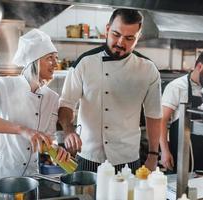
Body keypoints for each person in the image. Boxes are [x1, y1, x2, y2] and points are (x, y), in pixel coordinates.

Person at [58, 9, 162, 173]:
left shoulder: (148, 69)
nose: (121, 42)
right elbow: (66, 103)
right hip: (89, 156)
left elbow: (154, 114)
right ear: (107, 29)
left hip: (127, 159)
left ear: (138, 38)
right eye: (116, 34)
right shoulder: (84, 63)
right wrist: (69, 131)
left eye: (129, 38)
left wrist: (153, 155)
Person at [0, 29, 70, 181]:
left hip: (28, 177)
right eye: (50, 58)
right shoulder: (5, 85)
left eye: (56, 58)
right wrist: (22, 130)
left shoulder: (52, 97)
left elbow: (47, 140)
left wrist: (56, 150)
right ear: (34, 61)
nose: (56, 63)